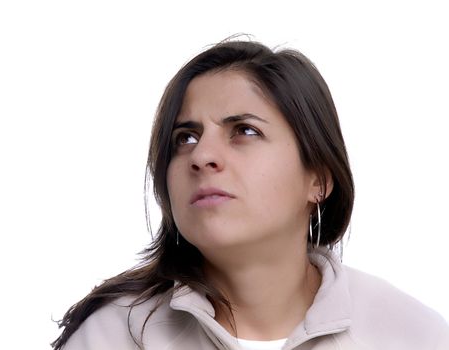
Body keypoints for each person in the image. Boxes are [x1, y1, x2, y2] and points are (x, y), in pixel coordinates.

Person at [51, 39, 449, 350]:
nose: (202, 156)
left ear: (319, 179)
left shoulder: (415, 337)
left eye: (244, 130)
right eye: (185, 138)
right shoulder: (112, 337)